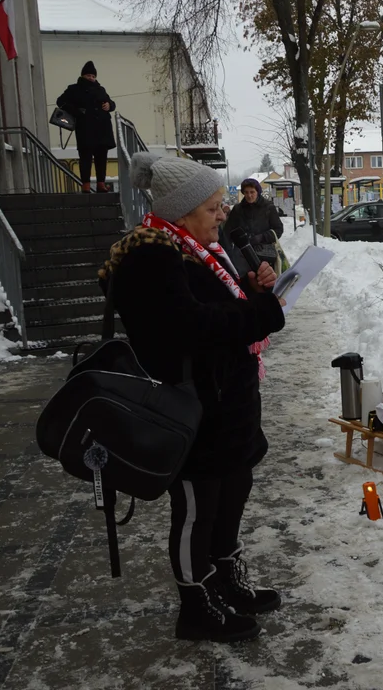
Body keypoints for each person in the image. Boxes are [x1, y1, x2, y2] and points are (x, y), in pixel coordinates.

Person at [99, 152, 286, 643]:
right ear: (180, 213)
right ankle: (196, 602)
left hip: (228, 410)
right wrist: (260, 313)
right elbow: (187, 327)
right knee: (197, 511)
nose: (223, 215)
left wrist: (251, 288)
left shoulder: (194, 248)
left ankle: (226, 577)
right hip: (193, 414)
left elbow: (215, 303)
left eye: (223, 204)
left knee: (231, 495)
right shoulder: (151, 258)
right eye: (212, 207)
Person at [56, 61, 116, 193]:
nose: (91, 78)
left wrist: (109, 106)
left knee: (101, 157)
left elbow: (111, 102)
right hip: (85, 127)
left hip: (102, 128)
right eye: (88, 75)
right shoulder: (74, 89)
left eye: (93, 76)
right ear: (83, 75)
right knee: (85, 157)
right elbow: (60, 101)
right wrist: (77, 111)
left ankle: (101, 183)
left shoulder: (101, 89)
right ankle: (86, 185)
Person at [226, 178, 284, 271]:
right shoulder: (237, 209)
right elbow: (227, 232)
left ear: (258, 191)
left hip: (264, 255)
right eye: (246, 192)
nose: (249, 195)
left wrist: (262, 237)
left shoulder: (268, 208)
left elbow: (278, 230)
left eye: (252, 192)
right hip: (241, 257)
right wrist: (229, 253)